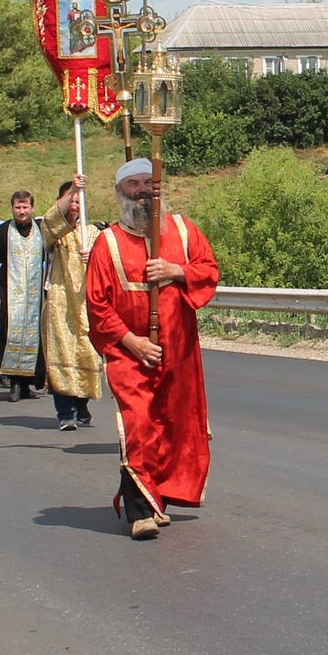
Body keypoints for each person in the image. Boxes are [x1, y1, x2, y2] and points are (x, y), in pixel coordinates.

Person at [84, 158, 219, 538]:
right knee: (139, 424)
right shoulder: (106, 243)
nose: (143, 191)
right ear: (120, 192)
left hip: (179, 351)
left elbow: (209, 270)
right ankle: (140, 512)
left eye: (149, 183)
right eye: (134, 185)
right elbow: (97, 305)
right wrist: (132, 342)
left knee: (175, 423)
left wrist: (176, 271)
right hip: (131, 353)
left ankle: (159, 496)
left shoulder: (183, 230)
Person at [38, 176, 103, 429]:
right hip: (60, 301)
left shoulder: (93, 232)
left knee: (87, 354)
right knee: (62, 352)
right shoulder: (53, 230)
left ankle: (82, 403)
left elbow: (109, 263)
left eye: (78, 200)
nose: (75, 204)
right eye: (70, 200)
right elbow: (51, 222)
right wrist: (74, 188)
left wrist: (94, 256)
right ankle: (64, 413)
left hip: (87, 302)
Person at [0, 188, 43, 400]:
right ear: (12, 208)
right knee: (12, 336)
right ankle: (14, 384)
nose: (21, 211)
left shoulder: (41, 230)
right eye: (18, 207)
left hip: (35, 297)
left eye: (25, 207)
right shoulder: (3, 231)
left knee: (34, 339)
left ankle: (27, 385)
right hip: (10, 294)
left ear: (32, 208)